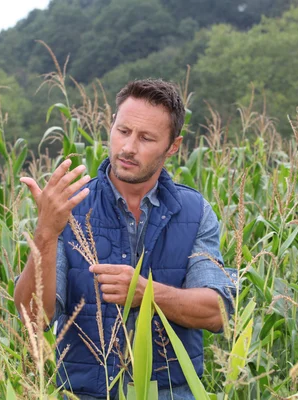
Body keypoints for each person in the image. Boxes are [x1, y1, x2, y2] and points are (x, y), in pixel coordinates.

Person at [15, 79, 233, 399]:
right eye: (123, 131)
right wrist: (46, 233)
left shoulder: (195, 212)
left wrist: (145, 293)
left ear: (173, 146)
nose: (129, 148)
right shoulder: (68, 208)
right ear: (111, 127)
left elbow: (218, 312)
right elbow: (32, 321)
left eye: (146, 138)